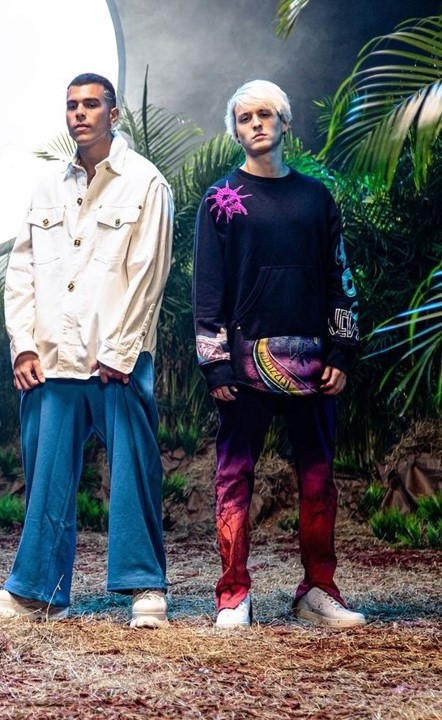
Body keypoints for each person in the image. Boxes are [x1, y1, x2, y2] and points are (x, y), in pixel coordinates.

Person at [0, 73, 174, 627]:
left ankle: (145, 588)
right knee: (46, 481)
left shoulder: (145, 183)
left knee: (133, 473)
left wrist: (120, 349)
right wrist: (23, 346)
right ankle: (39, 592)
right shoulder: (47, 186)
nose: (80, 113)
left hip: (115, 360)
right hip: (51, 361)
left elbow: (149, 273)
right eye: (72, 105)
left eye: (91, 104)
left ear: (113, 114)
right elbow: (21, 271)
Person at [193, 79, 365, 629]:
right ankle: (233, 594)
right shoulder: (221, 199)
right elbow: (208, 287)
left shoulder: (316, 197)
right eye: (245, 118)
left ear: (285, 123)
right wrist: (215, 361)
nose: (256, 124)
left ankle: (318, 591)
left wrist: (342, 350)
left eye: (266, 114)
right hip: (244, 366)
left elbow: (340, 277)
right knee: (234, 476)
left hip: (315, 363)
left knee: (318, 478)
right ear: (235, 131)